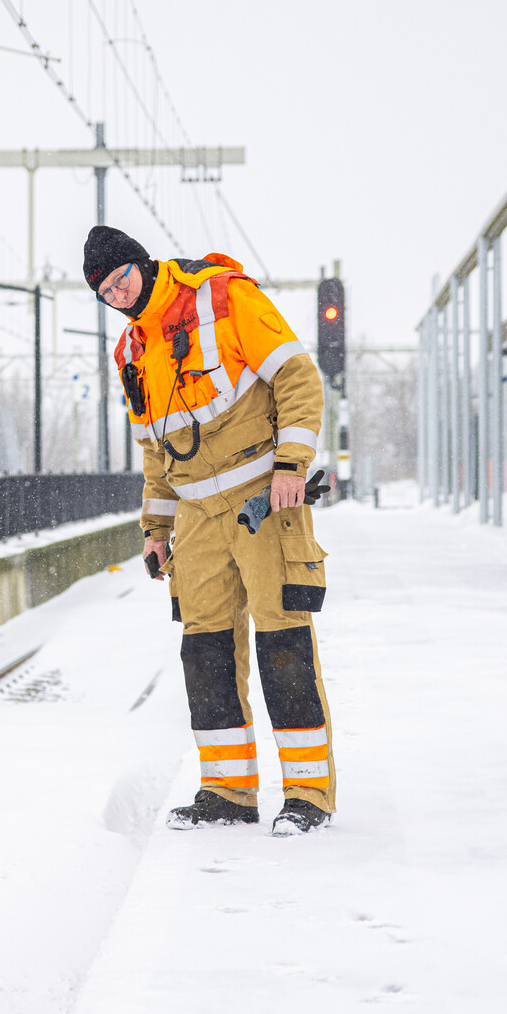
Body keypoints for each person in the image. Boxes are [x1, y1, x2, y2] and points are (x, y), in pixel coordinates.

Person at [85, 224, 335, 836]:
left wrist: (290, 467)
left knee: (284, 642)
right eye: (105, 291)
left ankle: (309, 794)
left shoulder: (220, 297)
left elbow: (299, 378)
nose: (118, 293)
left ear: (141, 265)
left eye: (122, 277)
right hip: (196, 516)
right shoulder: (131, 354)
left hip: (261, 500)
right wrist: (154, 529)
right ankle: (227, 791)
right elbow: (154, 450)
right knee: (206, 650)